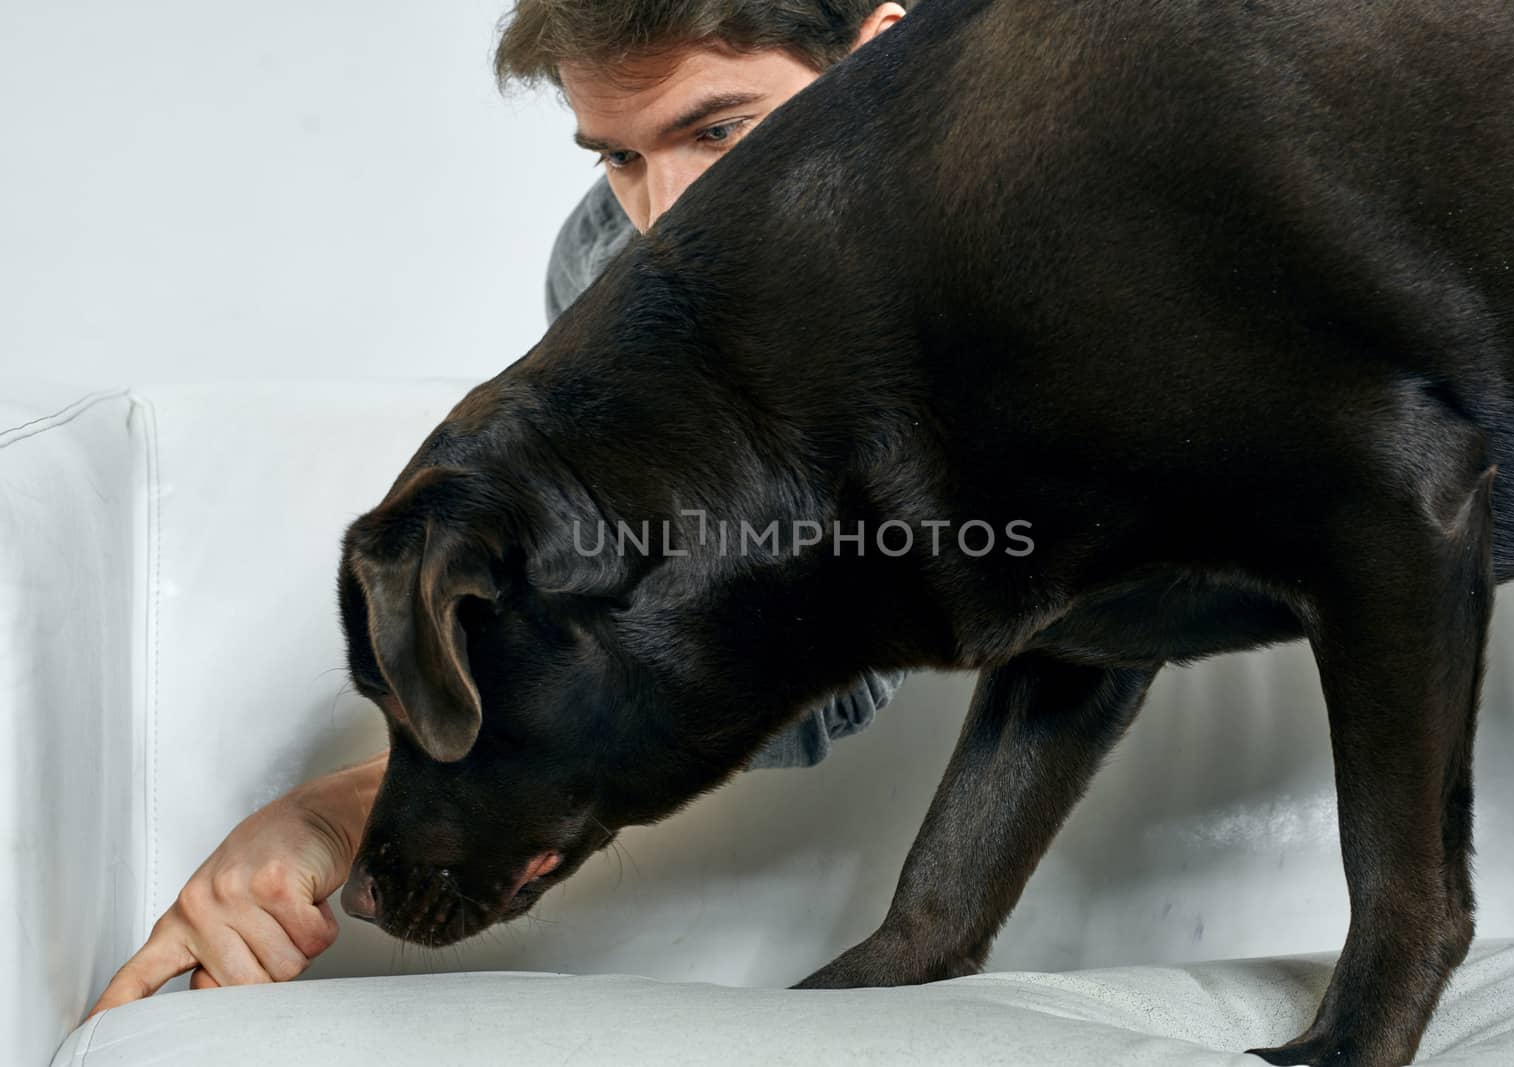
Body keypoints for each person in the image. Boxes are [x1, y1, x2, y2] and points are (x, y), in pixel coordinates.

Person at [87, 0, 911, 1016]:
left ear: (887, 51)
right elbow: (790, 659)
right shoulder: (616, 269)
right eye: (618, 156)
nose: (669, 218)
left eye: (719, 130)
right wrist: (361, 809)